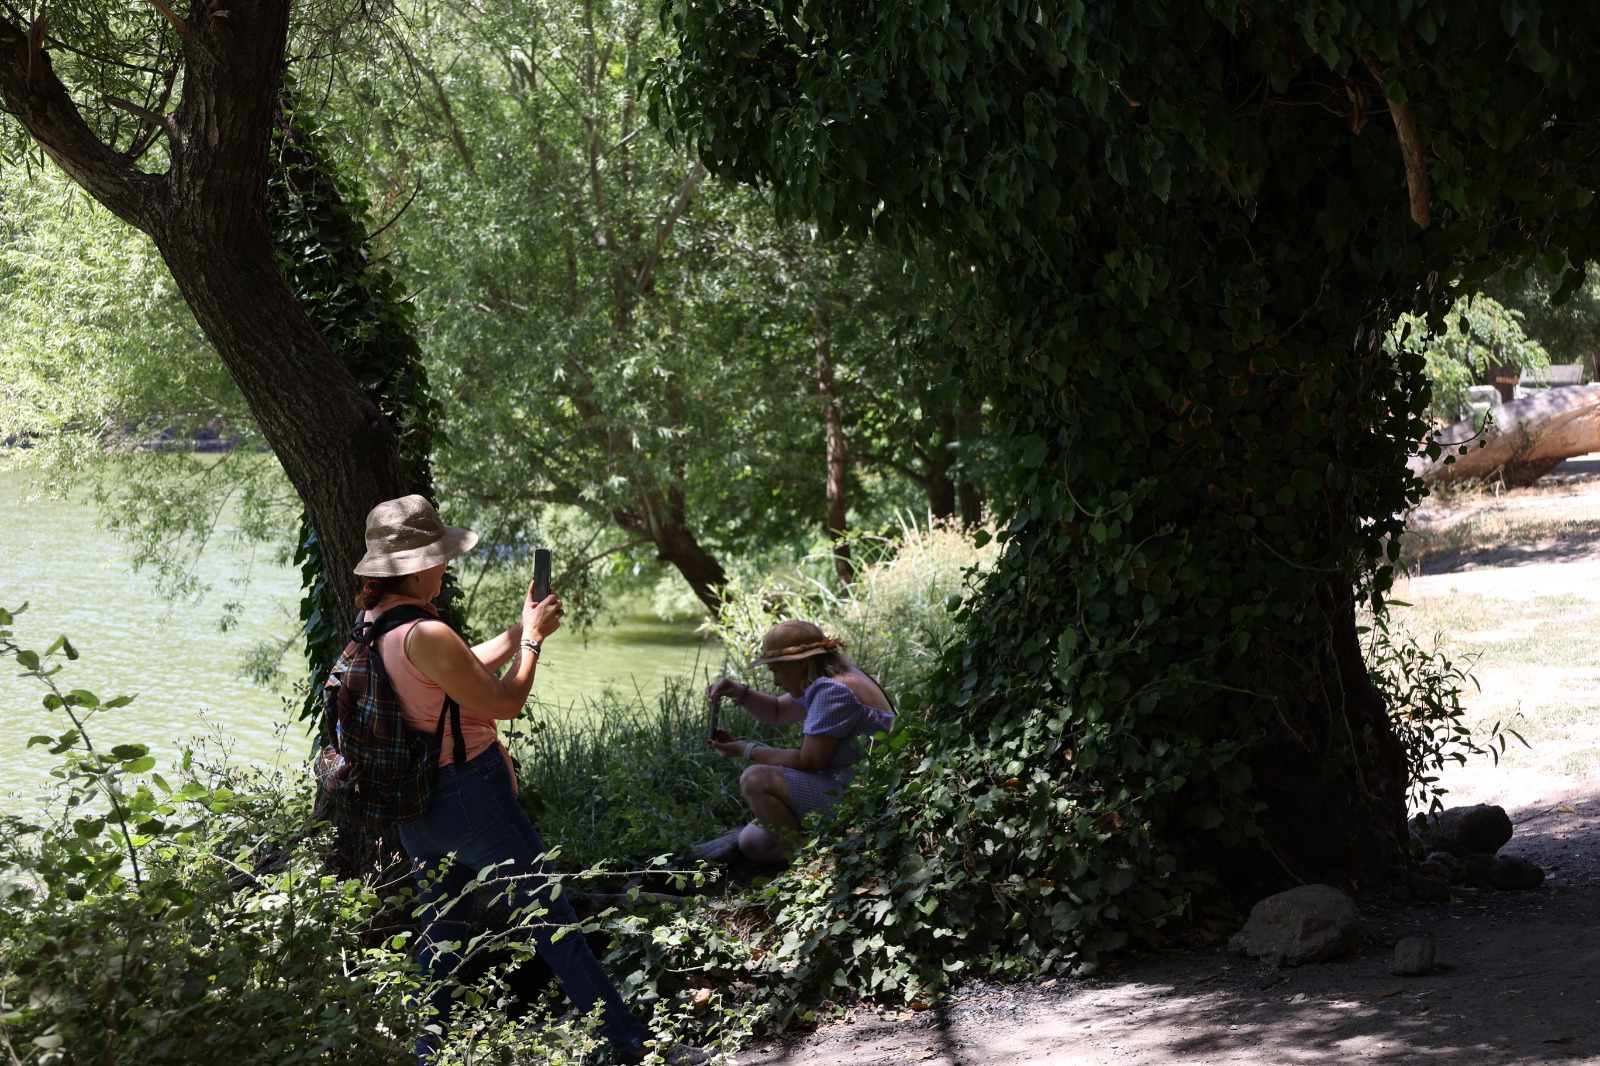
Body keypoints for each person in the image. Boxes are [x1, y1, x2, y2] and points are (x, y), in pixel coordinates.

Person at [350, 495, 706, 1066]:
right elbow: (507, 701)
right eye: (439, 558)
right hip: (472, 800)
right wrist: (536, 643)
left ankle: (426, 1053)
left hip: (416, 806)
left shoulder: (377, 623)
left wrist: (521, 629)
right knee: (554, 923)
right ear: (416, 566)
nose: (446, 566)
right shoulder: (427, 632)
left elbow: (460, 672)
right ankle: (634, 1050)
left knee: (442, 937)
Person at [704, 620, 895, 864]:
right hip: (851, 787)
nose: (775, 681)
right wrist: (739, 692)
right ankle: (829, 848)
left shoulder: (832, 691)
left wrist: (746, 749)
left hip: (862, 798)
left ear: (801, 663)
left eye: (776, 671)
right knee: (753, 841)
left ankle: (808, 866)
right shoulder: (838, 677)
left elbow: (808, 762)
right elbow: (776, 711)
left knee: (755, 779)